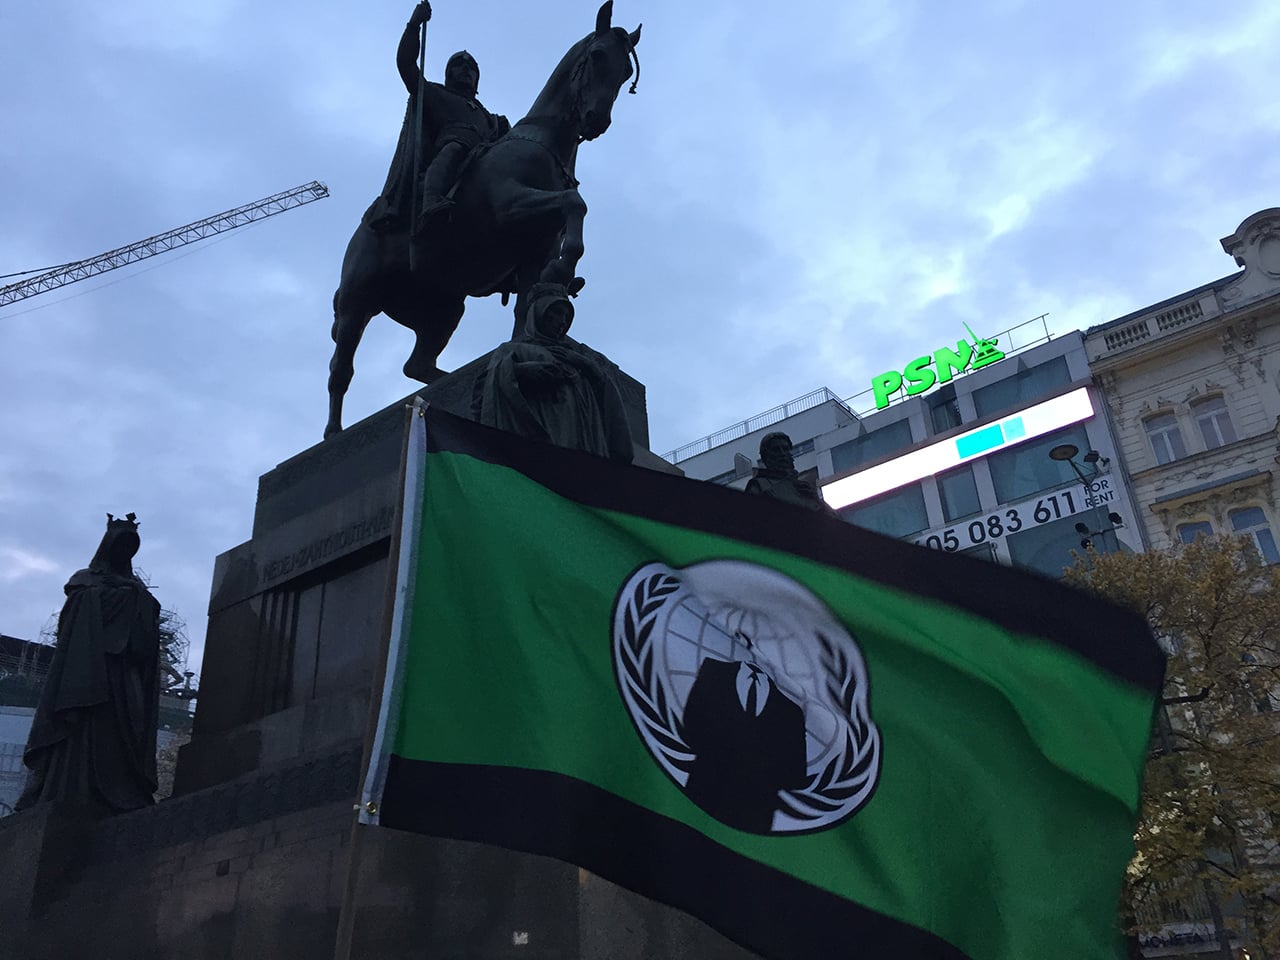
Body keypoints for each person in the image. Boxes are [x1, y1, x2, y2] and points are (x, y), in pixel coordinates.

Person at [17, 514, 162, 815]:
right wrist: (116, 595)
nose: (124, 552)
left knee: (127, 728)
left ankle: (124, 789)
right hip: (87, 666)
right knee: (84, 726)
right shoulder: (85, 580)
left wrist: (135, 598)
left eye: (130, 548)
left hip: (125, 672)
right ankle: (70, 789)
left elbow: (147, 635)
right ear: (108, 547)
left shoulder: (138, 591)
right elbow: (73, 622)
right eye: (120, 545)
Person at [362, 1, 510, 236]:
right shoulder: (434, 93)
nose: (466, 69)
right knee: (455, 147)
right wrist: (414, 25)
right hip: (451, 148)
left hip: (481, 159)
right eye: (459, 65)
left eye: (471, 68)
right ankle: (431, 201)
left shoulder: (487, 116)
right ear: (448, 74)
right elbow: (406, 64)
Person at [476, 282, 633, 462]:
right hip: (536, 436)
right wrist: (521, 371)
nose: (562, 321)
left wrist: (587, 366)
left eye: (566, 316)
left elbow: (605, 400)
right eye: (557, 313)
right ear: (538, 313)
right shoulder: (512, 350)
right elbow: (484, 392)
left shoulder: (576, 356)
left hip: (581, 444)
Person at [681, 651, 809, 833]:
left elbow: (796, 776)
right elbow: (690, 726)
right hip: (699, 798)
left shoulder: (790, 711)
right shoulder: (715, 671)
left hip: (751, 819)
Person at [744, 432, 836, 514]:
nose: (783, 454)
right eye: (776, 450)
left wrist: (817, 500)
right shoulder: (759, 485)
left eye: (786, 449)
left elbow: (835, 520)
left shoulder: (804, 487)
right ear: (765, 457)